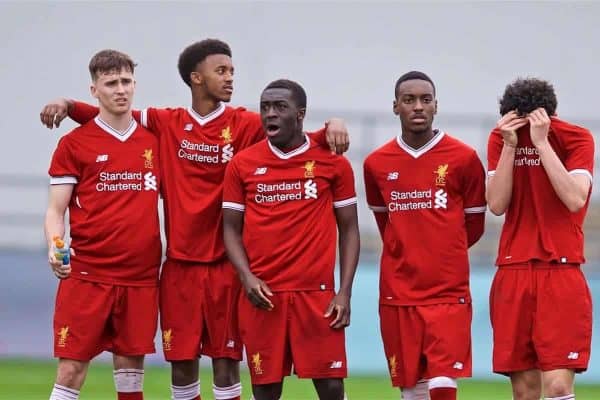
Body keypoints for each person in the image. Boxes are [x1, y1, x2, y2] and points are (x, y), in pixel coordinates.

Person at [39, 39, 350, 400]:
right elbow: (109, 117)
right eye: (222, 71)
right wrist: (67, 104)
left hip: (226, 267)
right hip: (178, 267)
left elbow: (289, 139)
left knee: (225, 363)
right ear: (196, 78)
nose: (231, 78)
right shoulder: (165, 122)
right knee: (182, 364)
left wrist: (330, 128)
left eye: (232, 70)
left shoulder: (246, 124)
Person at [222, 79, 360, 400]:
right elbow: (230, 228)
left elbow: (350, 229)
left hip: (318, 297)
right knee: (266, 391)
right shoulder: (243, 164)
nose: (270, 114)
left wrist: (344, 292)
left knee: (331, 388)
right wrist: (247, 277)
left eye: (280, 107)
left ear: (300, 115)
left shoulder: (333, 163)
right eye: (265, 107)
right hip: (264, 295)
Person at [45, 49, 161, 400]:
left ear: (135, 85)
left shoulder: (154, 141)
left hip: (140, 277)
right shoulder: (74, 144)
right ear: (94, 90)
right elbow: (55, 210)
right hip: (87, 275)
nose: (120, 90)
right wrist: (54, 243)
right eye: (111, 83)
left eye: (126, 81)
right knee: (71, 369)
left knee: (131, 374)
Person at [363, 71, 486, 400]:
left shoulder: (464, 158)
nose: (418, 106)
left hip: (447, 290)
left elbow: (474, 226)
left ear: (436, 106)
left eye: (425, 100)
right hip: (398, 290)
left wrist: (443, 251)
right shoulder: (376, 163)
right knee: (411, 385)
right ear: (395, 107)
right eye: (409, 100)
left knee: (442, 379)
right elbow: (385, 224)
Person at [486, 78, 594, 400]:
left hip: (561, 271)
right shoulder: (501, 139)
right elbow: (496, 204)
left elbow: (575, 198)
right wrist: (510, 145)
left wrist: (542, 143)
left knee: (559, 386)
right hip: (513, 271)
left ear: (549, 116)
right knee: (525, 392)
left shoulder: (576, 138)